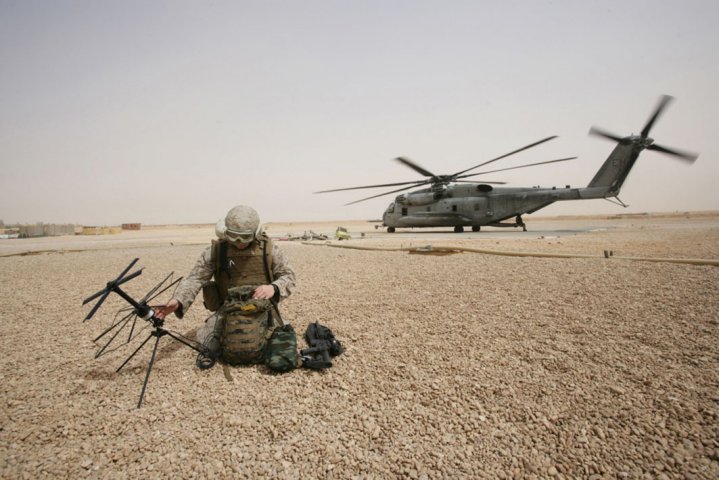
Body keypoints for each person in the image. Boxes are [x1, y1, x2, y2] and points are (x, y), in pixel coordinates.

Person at [155, 205, 296, 369]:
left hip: (263, 311)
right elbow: (195, 278)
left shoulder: (270, 250)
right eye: (233, 237)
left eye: (244, 238)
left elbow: (289, 276)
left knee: (278, 345)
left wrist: (273, 288)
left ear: (255, 233)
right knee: (210, 345)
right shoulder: (216, 251)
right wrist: (178, 301)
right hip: (227, 310)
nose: (238, 243)